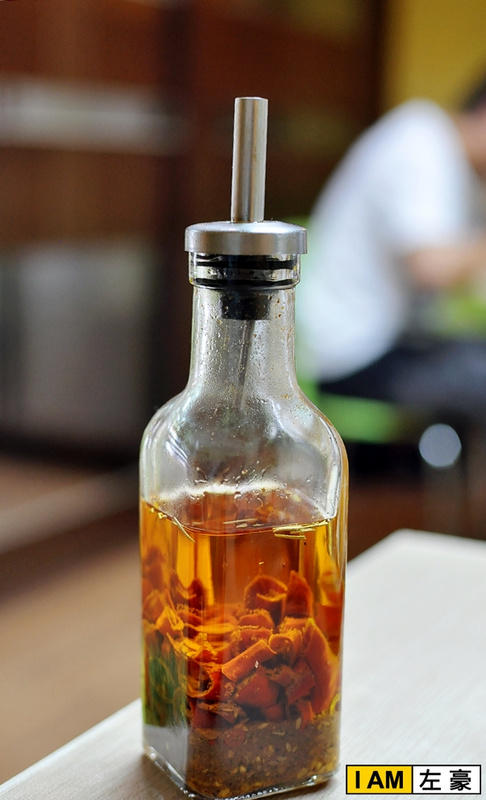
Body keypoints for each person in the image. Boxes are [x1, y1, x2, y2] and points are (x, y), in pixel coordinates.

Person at [296, 79, 486, 426]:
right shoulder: (420, 143)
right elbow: (431, 267)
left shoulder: (463, 167)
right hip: (352, 353)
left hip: (399, 342)